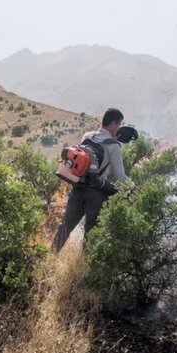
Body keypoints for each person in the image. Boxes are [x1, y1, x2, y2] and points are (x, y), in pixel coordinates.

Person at [52, 108, 127, 252]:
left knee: (66, 225)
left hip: (78, 186)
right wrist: (132, 187)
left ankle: (49, 257)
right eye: (118, 125)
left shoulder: (87, 136)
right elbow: (119, 175)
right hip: (97, 194)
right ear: (113, 124)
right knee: (91, 233)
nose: (118, 128)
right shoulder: (114, 146)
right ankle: (84, 268)